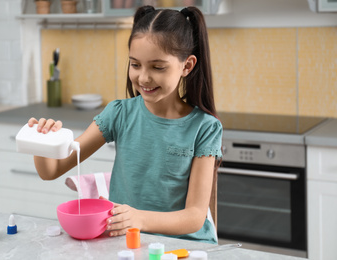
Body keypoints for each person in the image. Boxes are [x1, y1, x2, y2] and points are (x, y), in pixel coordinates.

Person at [28, 5, 223, 244]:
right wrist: (42, 141)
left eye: (157, 67)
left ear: (187, 66)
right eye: (135, 64)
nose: (143, 77)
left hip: (184, 246)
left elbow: (194, 217)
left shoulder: (205, 128)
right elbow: (51, 171)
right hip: (129, 243)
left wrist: (139, 219)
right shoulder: (119, 114)